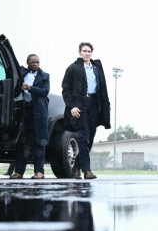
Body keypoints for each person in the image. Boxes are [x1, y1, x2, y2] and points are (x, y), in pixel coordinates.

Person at [61, 42, 111, 180]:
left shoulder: (96, 68)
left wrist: (106, 106)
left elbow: (103, 88)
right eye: (84, 51)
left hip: (94, 104)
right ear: (79, 52)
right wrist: (71, 106)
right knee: (84, 138)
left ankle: (76, 167)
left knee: (90, 138)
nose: (87, 53)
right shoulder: (73, 68)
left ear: (91, 53)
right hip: (80, 105)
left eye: (89, 51)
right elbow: (66, 89)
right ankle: (87, 171)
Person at [10, 54, 50, 179]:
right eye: (32, 62)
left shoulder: (45, 76)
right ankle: (19, 172)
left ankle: (39, 172)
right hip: (23, 110)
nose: (35, 64)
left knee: (39, 142)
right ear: (27, 63)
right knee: (22, 141)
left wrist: (30, 88)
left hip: (39, 111)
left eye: (37, 62)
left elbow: (45, 91)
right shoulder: (21, 73)